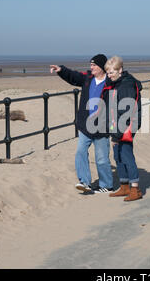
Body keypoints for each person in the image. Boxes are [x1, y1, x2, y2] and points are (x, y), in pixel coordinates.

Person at [50, 54, 113, 193]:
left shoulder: (110, 82)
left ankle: (107, 185)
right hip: (85, 125)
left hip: (102, 127)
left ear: (102, 67)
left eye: (94, 65)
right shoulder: (88, 78)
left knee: (102, 159)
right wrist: (61, 70)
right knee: (80, 152)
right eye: (91, 65)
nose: (91, 67)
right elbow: (74, 76)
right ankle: (85, 182)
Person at [100, 56, 143, 201]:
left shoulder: (126, 85)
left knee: (126, 154)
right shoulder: (115, 82)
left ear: (120, 70)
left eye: (112, 72)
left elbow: (126, 112)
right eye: (108, 73)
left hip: (128, 124)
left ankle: (135, 189)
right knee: (117, 155)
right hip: (116, 123)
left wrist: (117, 134)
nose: (109, 75)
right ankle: (124, 186)